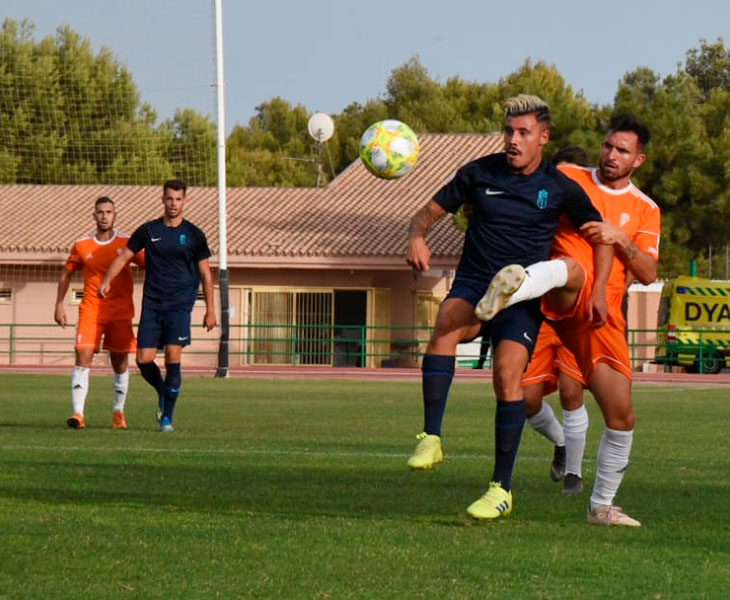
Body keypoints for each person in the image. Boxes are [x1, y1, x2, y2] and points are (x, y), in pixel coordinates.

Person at [404, 94, 613, 521]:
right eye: (509, 132)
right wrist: (416, 237)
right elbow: (425, 213)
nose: (513, 140)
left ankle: (501, 488)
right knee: (445, 321)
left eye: (523, 133)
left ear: (543, 137)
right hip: (475, 282)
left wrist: (599, 290)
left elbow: (600, 236)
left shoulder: (558, 188)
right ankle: (431, 436)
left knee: (506, 376)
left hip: (520, 296)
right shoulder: (478, 173)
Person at [482, 114, 660, 526]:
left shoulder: (645, 209)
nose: (611, 155)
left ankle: (601, 507)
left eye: (622, 151)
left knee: (622, 415)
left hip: (599, 319)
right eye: (608, 146)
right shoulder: (567, 176)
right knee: (520, 397)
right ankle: (524, 284)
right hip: (549, 307)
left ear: (639, 160)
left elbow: (649, 273)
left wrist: (623, 241)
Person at [99, 180, 217, 432]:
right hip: (153, 304)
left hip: (180, 305)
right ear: (162, 200)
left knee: (173, 356)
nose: (174, 203)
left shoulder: (194, 234)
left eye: (178, 199)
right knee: (143, 360)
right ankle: (164, 392)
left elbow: (206, 275)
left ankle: (167, 418)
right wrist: (107, 280)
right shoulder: (149, 230)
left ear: (185, 201)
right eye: (169, 199)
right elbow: (124, 256)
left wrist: (210, 309)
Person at [523, 146, 592, 494]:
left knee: (570, 390)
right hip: (539, 314)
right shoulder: (540, 207)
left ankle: (574, 475)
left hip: (575, 315)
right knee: (526, 399)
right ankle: (563, 443)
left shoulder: (590, 219)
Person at [54, 197, 144, 429]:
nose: (104, 216)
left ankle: (118, 413)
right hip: (91, 310)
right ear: (94, 215)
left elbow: (151, 266)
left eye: (109, 212)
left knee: (120, 362)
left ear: (115, 215)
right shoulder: (82, 244)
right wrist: (59, 304)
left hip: (120, 312)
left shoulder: (127, 242)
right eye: (100, 212)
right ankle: (78, 414)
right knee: (83, 358)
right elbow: (66, 274)